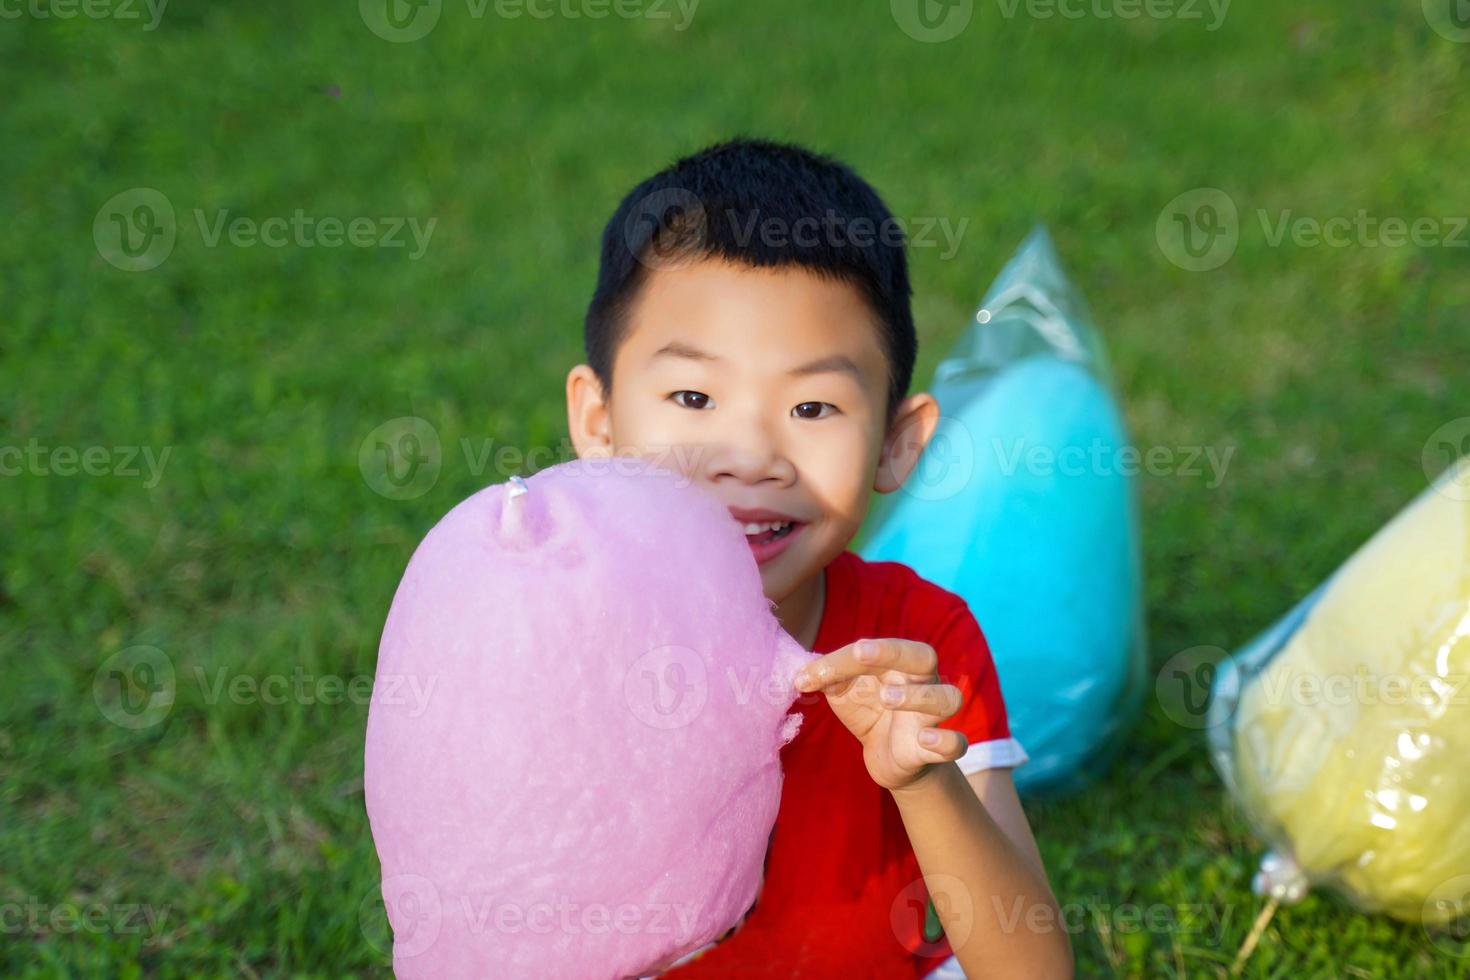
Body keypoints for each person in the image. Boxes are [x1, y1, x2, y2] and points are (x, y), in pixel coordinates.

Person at [565, 137, 1073, 979]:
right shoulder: (559, 641)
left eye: (812, 405)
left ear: (896, 444)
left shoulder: (917, 644)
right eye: (694, 397)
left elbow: (1034, 975)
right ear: (600, 422)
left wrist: (922, 784)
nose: (751, 455)